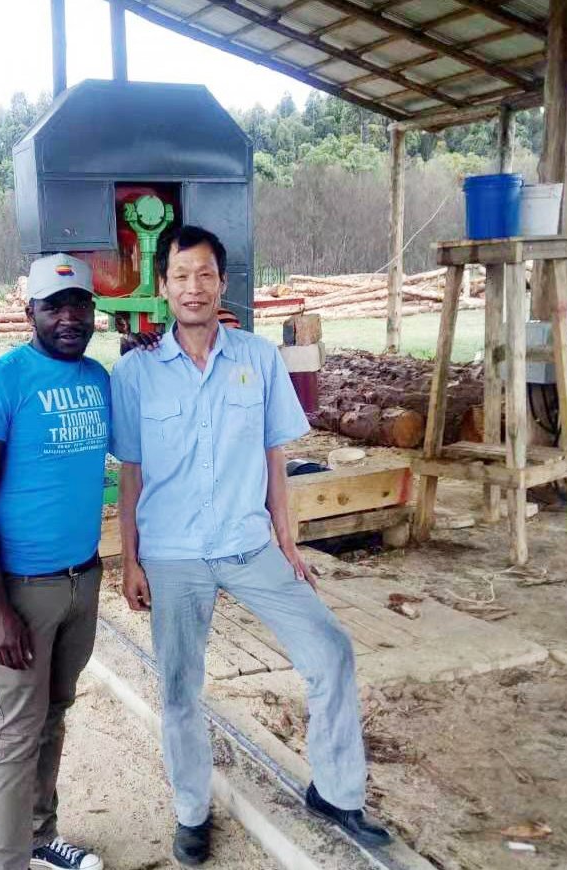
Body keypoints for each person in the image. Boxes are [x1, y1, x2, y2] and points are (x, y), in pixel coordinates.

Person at [110, 225, 391, 866]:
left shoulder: (259, 359)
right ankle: (191, 812)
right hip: (174, 552)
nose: (193, 287)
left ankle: (337, 792)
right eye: (180, 276)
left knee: (330, 649)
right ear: (162, 286)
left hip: (247, 542)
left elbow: (275, 460)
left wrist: (288, 543)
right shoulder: (135, 374)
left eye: (205, 274)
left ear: (221, 282)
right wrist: (131, 559)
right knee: (180, 686)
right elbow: (131, 474)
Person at [0, 253, 107, 870]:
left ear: (94, 312)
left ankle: (41, 840)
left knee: (53, 717)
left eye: (80, 305)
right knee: (14, 736)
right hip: (20, 591)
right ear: (31, 313)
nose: (69, 317)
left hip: (81, 582)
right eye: (54, 306)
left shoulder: (97, 379)